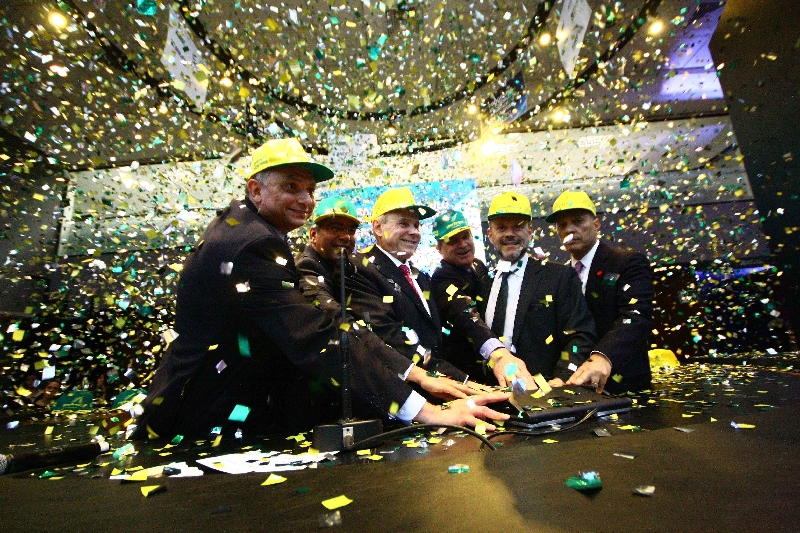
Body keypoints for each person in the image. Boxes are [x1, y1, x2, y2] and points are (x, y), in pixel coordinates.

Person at [135, 139, 508, 440]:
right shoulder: (253, 244)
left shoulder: (248, 231)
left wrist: (418, 377)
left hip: (215, 409)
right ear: (255, 190)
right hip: (200, 419)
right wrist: (423, 410)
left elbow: (333, 326)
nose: (305, 199)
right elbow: (316, 336)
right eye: (291, 187)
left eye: (310, 189)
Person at [344, 187, 479, 384]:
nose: (414, 232)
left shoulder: (421, 277)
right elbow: (390, 337)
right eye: (404, 224)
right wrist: (462, 380)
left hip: (442, 392)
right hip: (401, 399)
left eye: (417, 225)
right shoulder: (359, 269)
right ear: (378, 228)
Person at [481, 191, 596, 383]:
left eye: (518, 227)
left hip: (546, 394)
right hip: (491, 395)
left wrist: (563, 378)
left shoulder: (559, 277)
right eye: (501, 227)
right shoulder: (483, 283)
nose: (510, 233)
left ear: (530, 231)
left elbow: (580, 335)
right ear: (490, 235)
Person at [546, 190, 655, 393]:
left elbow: (636, 316)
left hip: (623, 387)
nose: (570, 229)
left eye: (578, 221)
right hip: (573, 387)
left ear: (596, 224)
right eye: (562, 225)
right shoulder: (560, 276)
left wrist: (603, 356)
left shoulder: (626, 262)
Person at [430, 209, 536, 387]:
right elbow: (466, 316)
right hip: (470, 376)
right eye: (453, 241)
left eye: (466, 236)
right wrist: (499, 354)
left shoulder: (478, 266)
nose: (463, 244)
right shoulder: (441, 279)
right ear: (439, 249)